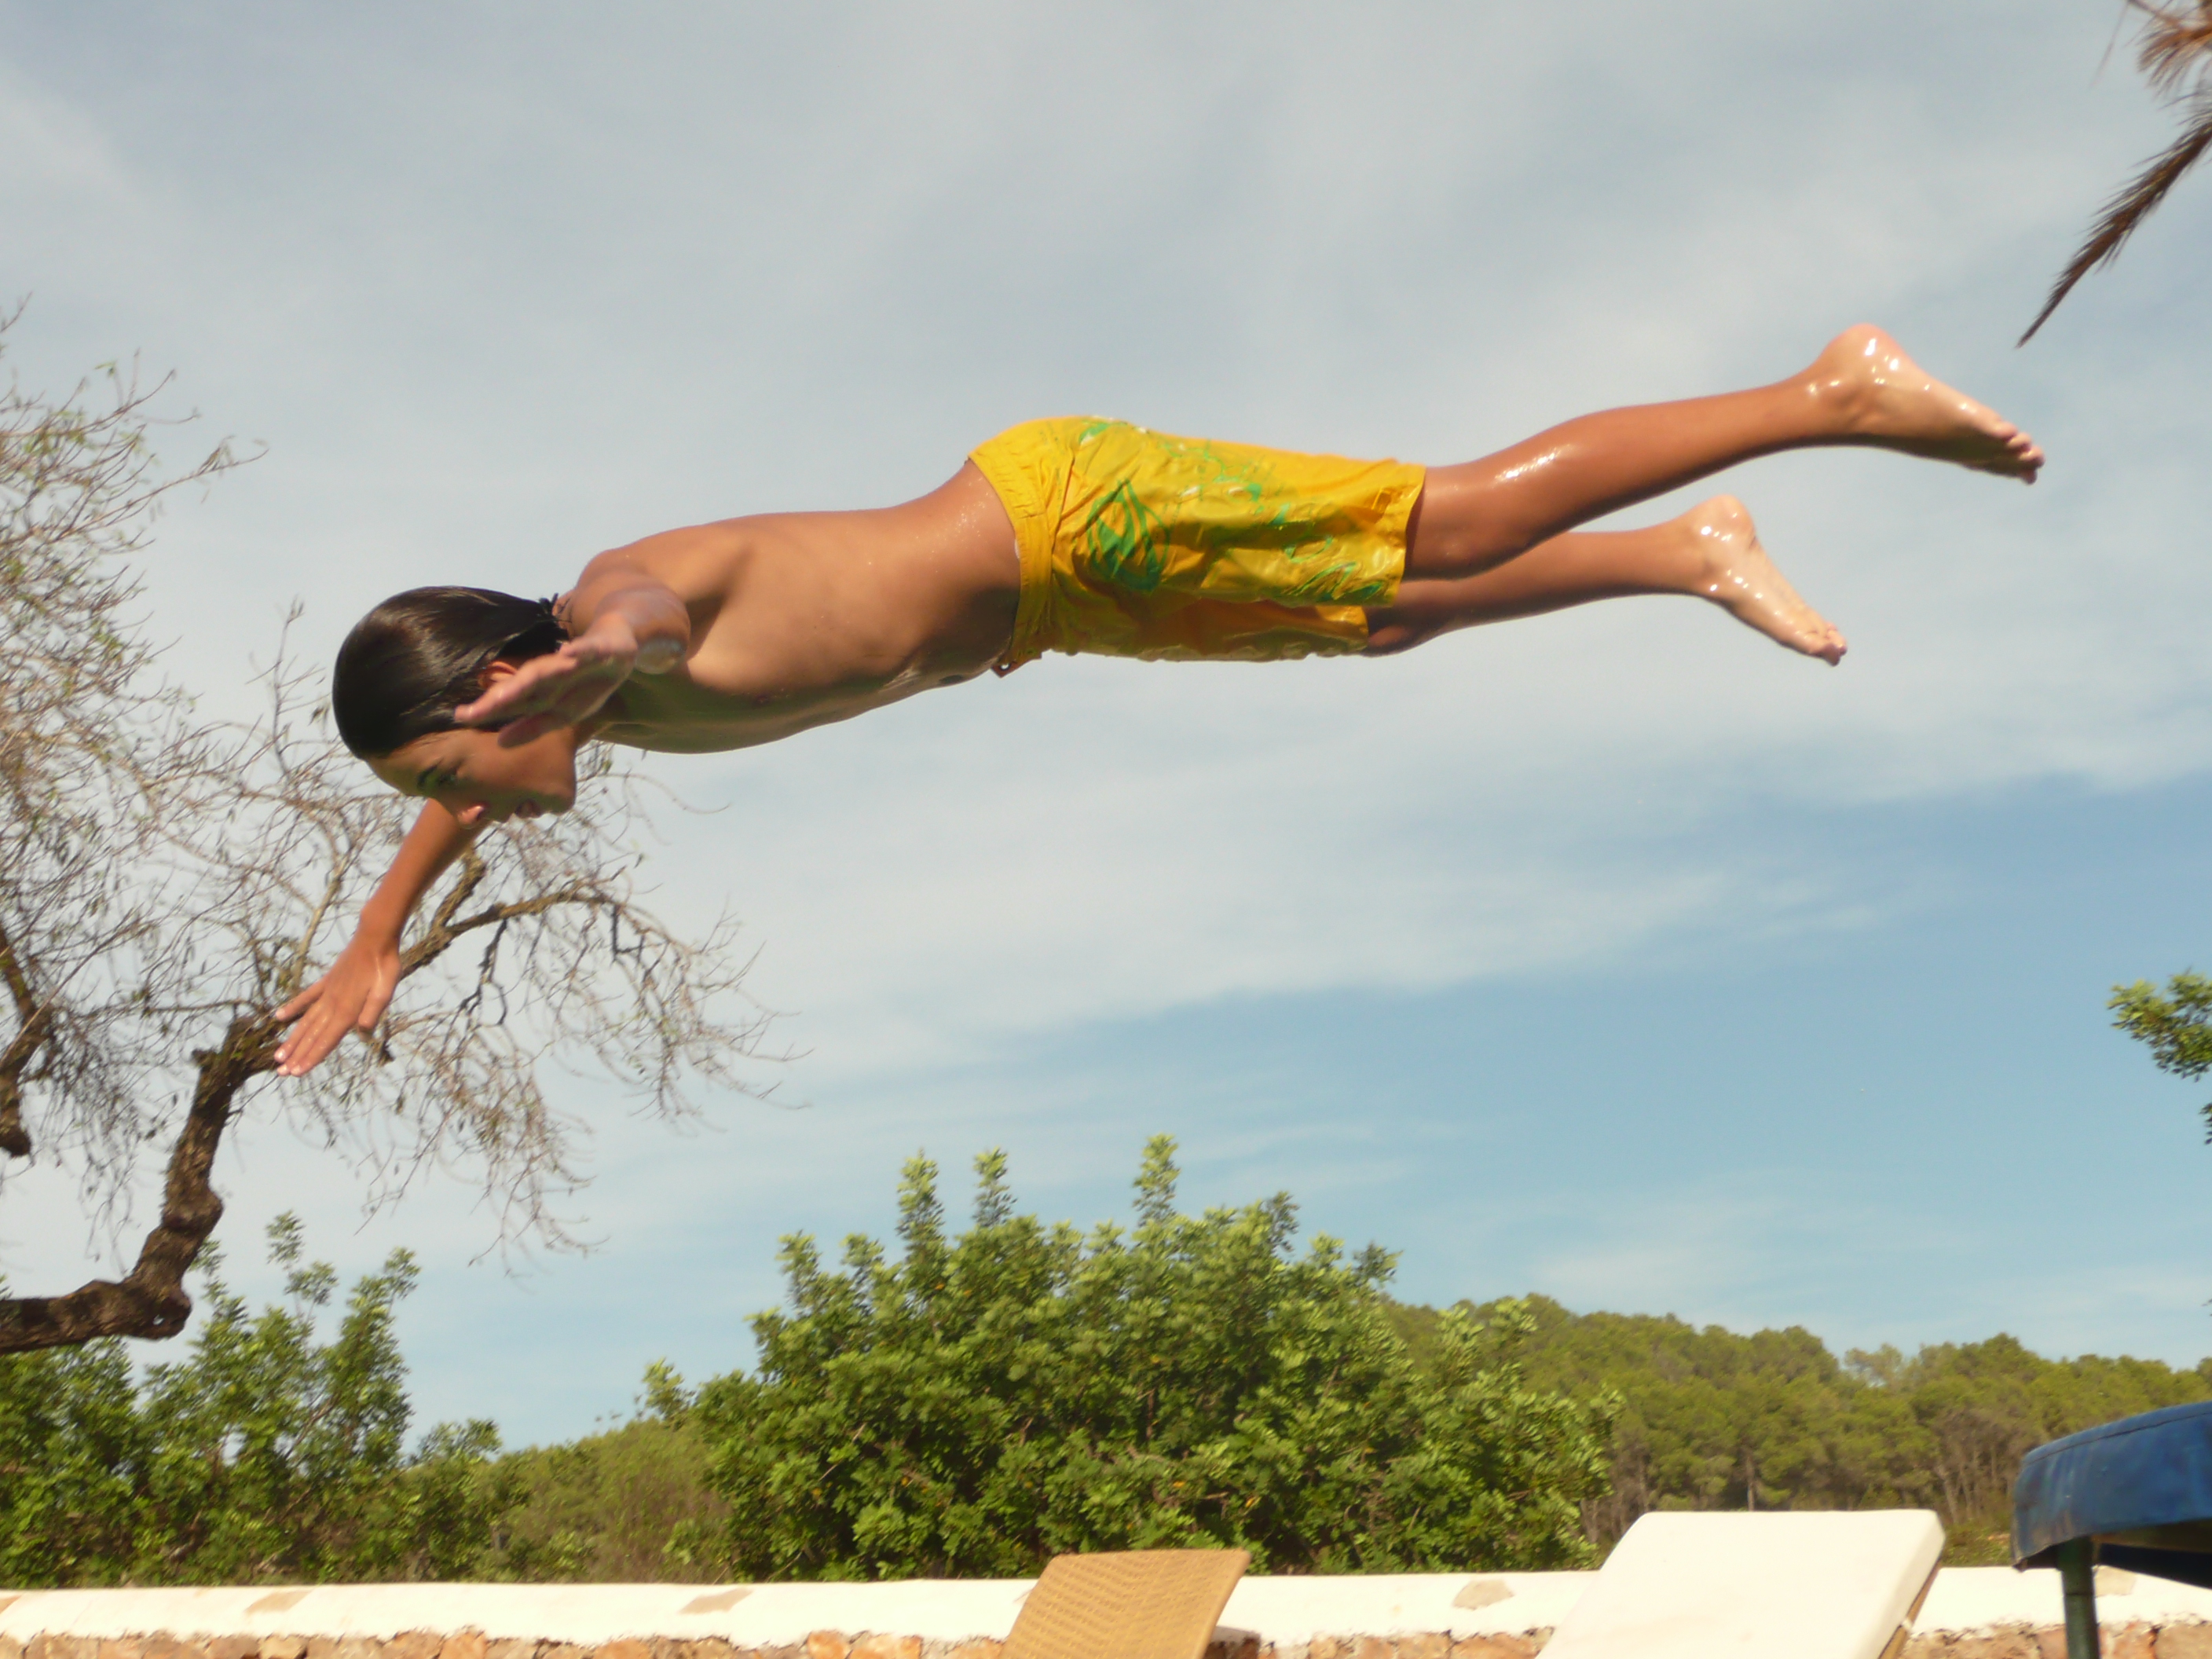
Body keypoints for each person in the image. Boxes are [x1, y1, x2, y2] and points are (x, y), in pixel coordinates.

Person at [273, 324, 2042, 1077]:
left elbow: (645, 615)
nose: (485, 799)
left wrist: (607, 644)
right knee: (1384, 626)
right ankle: (1684, 554)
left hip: (1066, 504)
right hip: (1064, 609)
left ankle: (1831, 390)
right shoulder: (566, 736)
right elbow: (463, 791)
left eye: (474, 757)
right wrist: (375, 933)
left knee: (1473, 510)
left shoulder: (616, 612)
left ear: (512, 677)